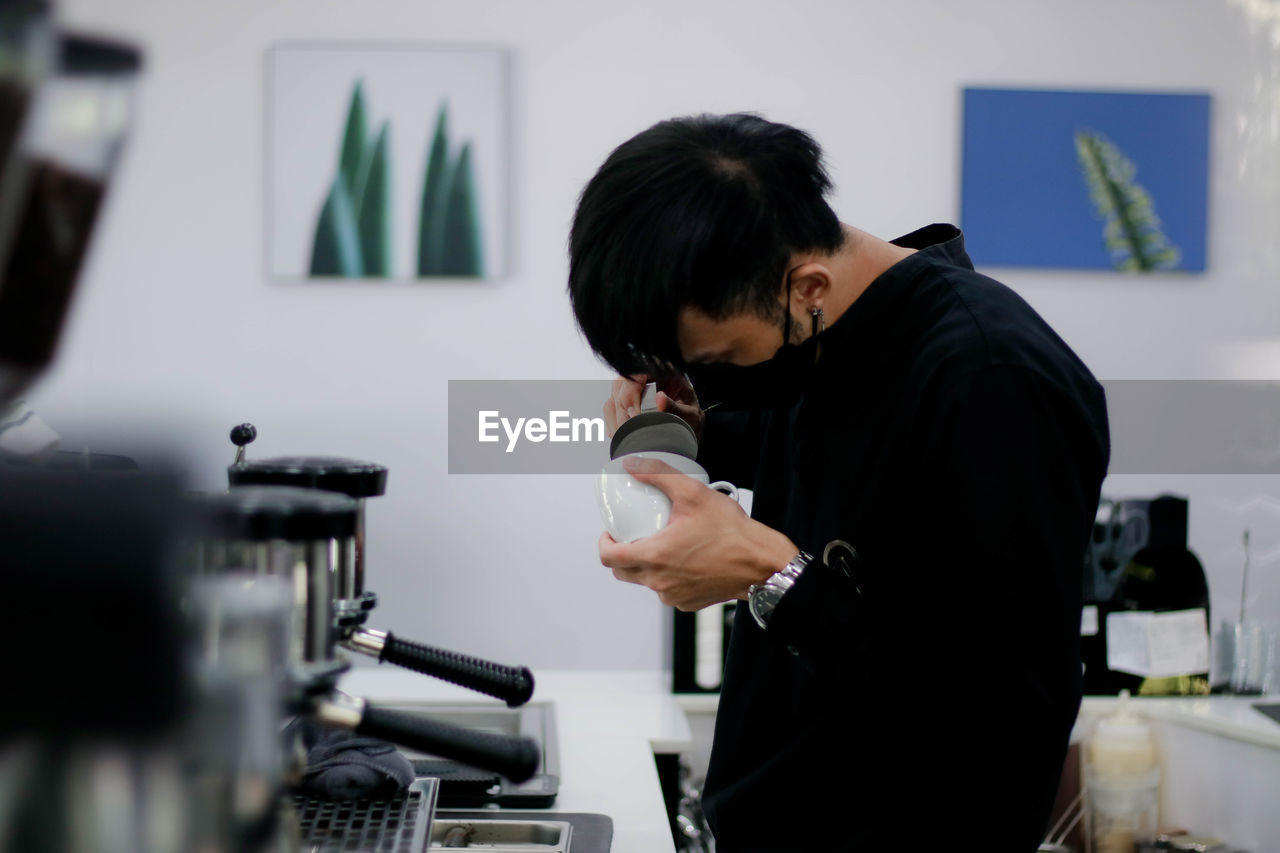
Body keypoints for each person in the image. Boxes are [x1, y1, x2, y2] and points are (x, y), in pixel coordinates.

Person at [567, 113, 1109, 851]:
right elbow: (820, 454)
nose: (711, 378)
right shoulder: (830, 339)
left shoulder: (991, 381)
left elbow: (996, 709)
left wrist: (773, 574)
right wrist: (691, 430)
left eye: (719, 356)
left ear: (808, 285)